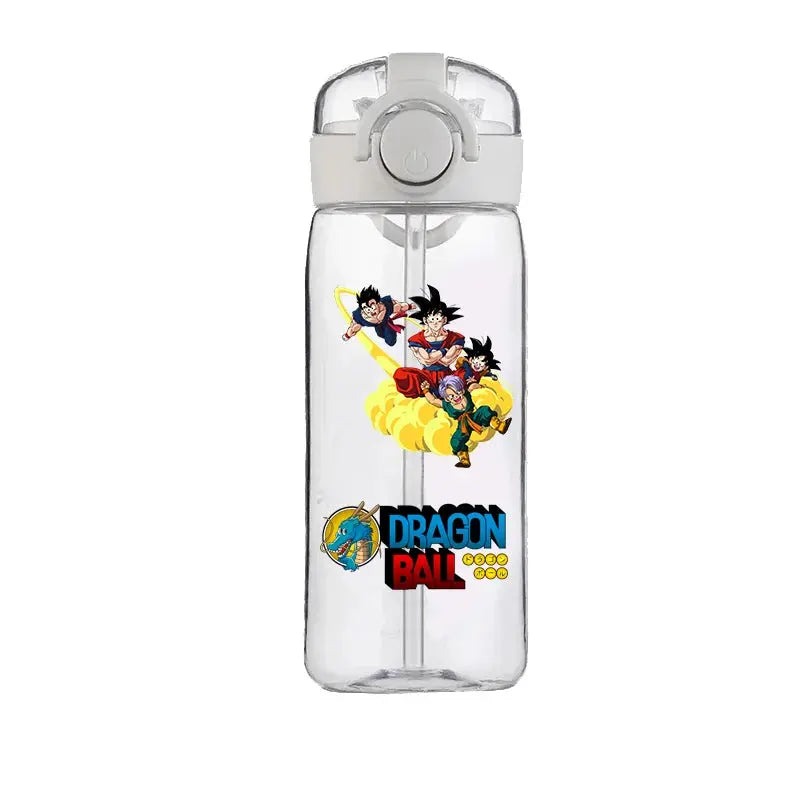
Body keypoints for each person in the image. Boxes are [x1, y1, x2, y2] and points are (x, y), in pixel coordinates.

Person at [421, 375, 511, 468]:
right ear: (447, 398)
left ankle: (500, 426)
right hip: (463, 425)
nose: (456, 397)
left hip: (474, 417)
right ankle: (464, 459)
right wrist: (425, 390)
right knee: (455, 440)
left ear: (462, 390)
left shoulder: (467, 394)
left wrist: (481, 386)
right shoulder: (446, 405)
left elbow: (473, 386)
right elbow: (433, 400)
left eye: (458, 392)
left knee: (484, 410)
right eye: (451, 396)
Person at [393, 285, 465, 398]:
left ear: (444, 320)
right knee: (401, 374)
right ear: (425, 320)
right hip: (426, 377)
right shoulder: (416, 339)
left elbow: (446, 361)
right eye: (432, 319)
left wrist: (431, 354)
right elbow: (427, 361)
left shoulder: (455, 338)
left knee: (466, 371)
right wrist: (445, 350)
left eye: (438, 319)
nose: (435, 322)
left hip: (448, 376)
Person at [342, 285, 415, 347]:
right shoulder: (360, 317)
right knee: (380, 334)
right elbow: (353, 328)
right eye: (365, 308)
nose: (370, 310)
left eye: (371, 305)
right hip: (378, 327)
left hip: (386, 323)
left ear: (377, 302)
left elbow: (401, 307)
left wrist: (410, 306)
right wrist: (347, 335)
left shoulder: (387, 305)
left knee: (391, 341)